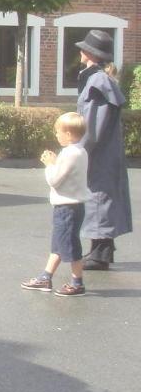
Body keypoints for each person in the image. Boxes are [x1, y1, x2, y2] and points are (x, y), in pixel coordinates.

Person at [75, 29, 132, 270]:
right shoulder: (99, 79)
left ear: (89, 54)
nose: (79, 51)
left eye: (83, 49)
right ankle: (101, 250)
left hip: (99, 154)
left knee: (99, 197)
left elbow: (92, 126)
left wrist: (79, 150)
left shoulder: (98, 82)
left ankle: (100, 254)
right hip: (105, 152)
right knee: (101, 197)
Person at [21, 112, 90, 297]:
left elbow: (54, 180)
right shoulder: (79, 151)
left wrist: (49, 164)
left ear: (68, 134)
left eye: (58, 132)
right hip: (70, 206)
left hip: (68, 207)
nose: (56, 135)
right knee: (59, 245)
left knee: (70, 245)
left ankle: (77, 282)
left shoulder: (71, 154)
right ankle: (46, 276)